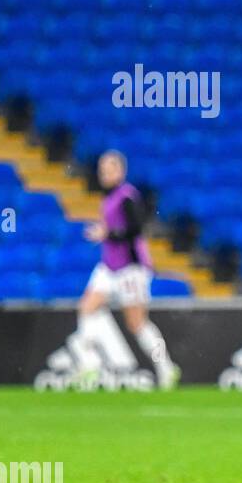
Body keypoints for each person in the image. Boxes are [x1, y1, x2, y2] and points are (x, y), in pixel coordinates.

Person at [73, 150, 179, 390]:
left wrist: (107, 233)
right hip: (109, 266)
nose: (104, 174)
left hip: (130, 268)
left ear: (120, 171)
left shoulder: (127, 197)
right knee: (87, 307)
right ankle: (89, 363)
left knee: (137, 324)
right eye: (102, 170)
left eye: (109, 169)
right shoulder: (108, 199)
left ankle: (166, 367)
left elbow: (136, 228)